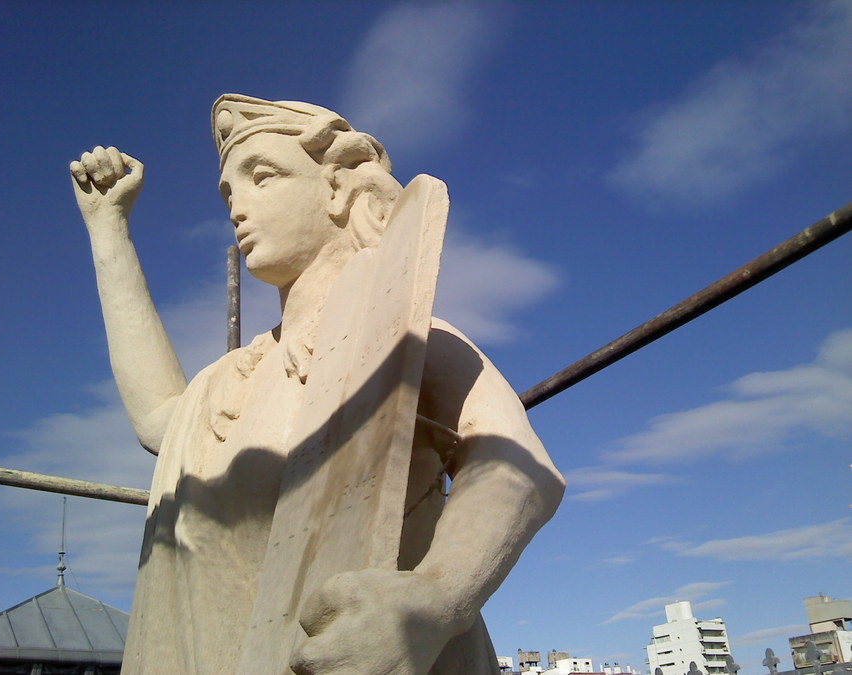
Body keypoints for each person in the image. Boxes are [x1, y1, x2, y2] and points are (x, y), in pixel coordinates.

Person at [70, 94, 565, 675]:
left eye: (263, 177)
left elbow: (517, 465)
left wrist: (435, 597)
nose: (237, 208)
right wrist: (108, 230)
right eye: (229, 193)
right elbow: (160, 417)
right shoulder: (231, 377)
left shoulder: (397, 334)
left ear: (338, 189)